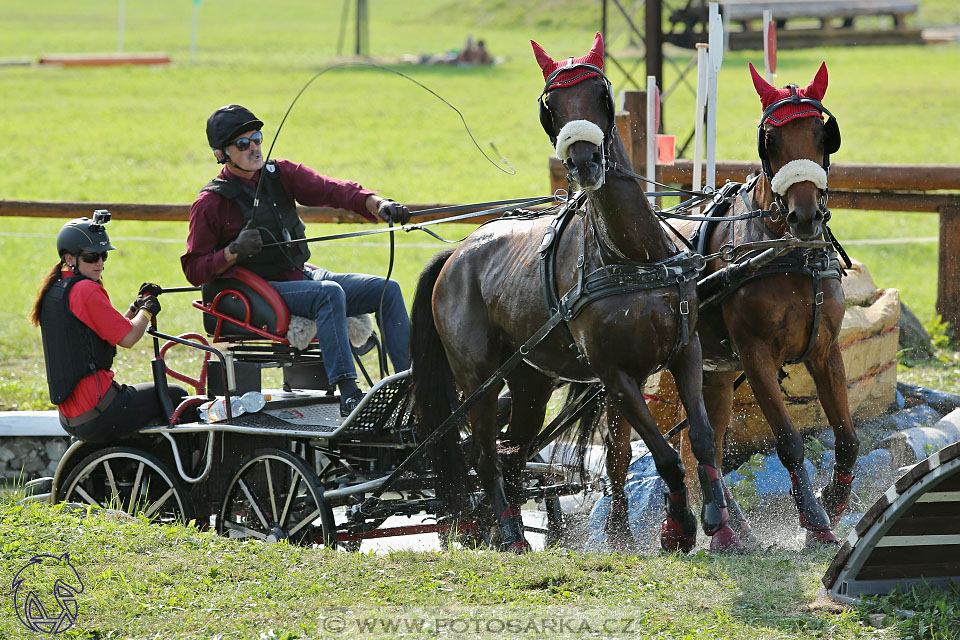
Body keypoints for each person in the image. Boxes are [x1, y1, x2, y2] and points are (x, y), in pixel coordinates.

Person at [182, 104, 412, 417]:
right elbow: (193, 268)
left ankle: (409, 384)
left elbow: (333, 190)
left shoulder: (282, 174)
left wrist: (378, 203)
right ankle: (349, 393)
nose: (254, 148)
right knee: (330, 293)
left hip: (300, 276)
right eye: (242, 144)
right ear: (221, 154)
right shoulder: (211, 202)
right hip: (262, 291)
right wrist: (233, 252)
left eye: (257, 138)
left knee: (387, 289)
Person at [30, 215, 188, 443]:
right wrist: (148, 310)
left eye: (103, 255)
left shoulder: (56, 290)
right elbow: (129, 337)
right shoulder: (86, 291)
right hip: (100, 412)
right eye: (92, 257)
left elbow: (109, 333)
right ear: (69, 258)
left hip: (71, 417)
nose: (100, 263)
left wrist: (136, 307)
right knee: (179, 397)